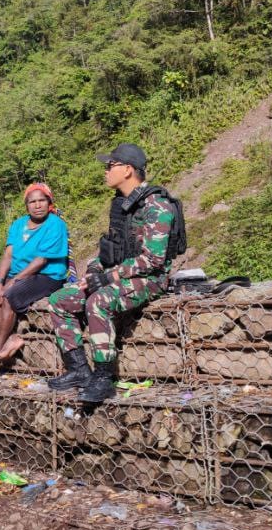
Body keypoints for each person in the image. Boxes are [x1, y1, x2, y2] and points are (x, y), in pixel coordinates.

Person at [46, 143, 183, 402]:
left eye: (111, 166)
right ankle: (78, 370)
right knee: (60, 300)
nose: (105, 171)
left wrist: (109, 277)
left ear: (128, 170)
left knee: (100, 301)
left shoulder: (157, 206)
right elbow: (114, 246)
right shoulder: (122, 204)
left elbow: (152, 260)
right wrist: (97, 267)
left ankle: (104, 378)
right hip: (120, 273)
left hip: (151, 280)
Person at [0, 182, 69, 378]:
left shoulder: (55, 224)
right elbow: (8, 255)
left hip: (46, 275)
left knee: (9, 295)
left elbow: (41, 260)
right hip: (17, 274)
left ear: (49, 202)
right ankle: (12, 337)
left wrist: (13, 282)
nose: (37, 205)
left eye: (42, 200)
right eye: (32, 201)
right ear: (27, 205)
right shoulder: (18, 225)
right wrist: (0, 281)